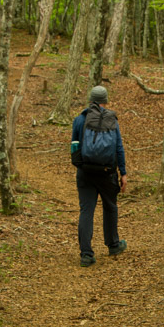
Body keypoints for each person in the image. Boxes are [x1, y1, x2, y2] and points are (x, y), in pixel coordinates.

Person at [72, 86, 128, 267]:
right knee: (110, 207)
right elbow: (119, 148)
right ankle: (113, 245)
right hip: (107, 173)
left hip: (85, 173)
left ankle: (86, 255)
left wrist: (81, 167)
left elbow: (74, 147)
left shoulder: (79, 120)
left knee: (86, 211)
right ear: (106, 101)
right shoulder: (112, 120)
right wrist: (123, 173)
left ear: (90, 100)